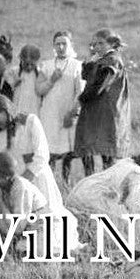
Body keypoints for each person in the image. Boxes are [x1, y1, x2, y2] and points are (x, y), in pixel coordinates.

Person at [0, 151, 70, 258]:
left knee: (24, 249)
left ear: (2, 175)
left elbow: (17, 227)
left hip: (45, 227)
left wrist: (0, 203)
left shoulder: (20, 186)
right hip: (26, 232)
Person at [0, 94, 64, 212]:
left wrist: (22, 184)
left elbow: (42, 156)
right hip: (12, 184)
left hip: (37, 180)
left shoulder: (30, 122)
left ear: (6, 111)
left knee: (44, 218)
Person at [73, 28, 132, 176]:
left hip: (107, 112)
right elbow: (86, 76)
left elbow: (99, 85)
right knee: (90, 147)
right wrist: (89, 60)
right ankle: (91, 182)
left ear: (111, 44)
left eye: (100, 43)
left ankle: (106, 185)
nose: (96, 47)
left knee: (107, 153)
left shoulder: (112, 60)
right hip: (97, 111)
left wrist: (81, 100)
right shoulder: (101, 59)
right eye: (94, 44)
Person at [65, 154, 140, 236]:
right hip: (94, 199)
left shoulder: (127, 163)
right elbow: (132, 205)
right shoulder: (139, 177)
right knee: (122, 229)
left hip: (80, 191)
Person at [37, 30, 84, 182]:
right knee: (49, 151)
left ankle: (65, 183)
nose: (61, 47)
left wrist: (72, 113)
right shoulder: (46, 65)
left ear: (71, 45)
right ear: (53, 46)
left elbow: (80, 92)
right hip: (49, 115)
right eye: (58, 44)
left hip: (67, 115)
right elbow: (39, 90)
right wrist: (52, 79)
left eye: (64, 44)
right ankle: (49, 183)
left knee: (67, 152)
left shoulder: (78, 65)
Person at [8, 44, 42, 116]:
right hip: (18, 109)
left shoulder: (40, 73)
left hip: (34, 109)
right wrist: (14, 83)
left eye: (32, 64)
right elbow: (8, 88)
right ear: (21, 60)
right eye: (26, 64)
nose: (29, 67)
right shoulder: (14, 72)